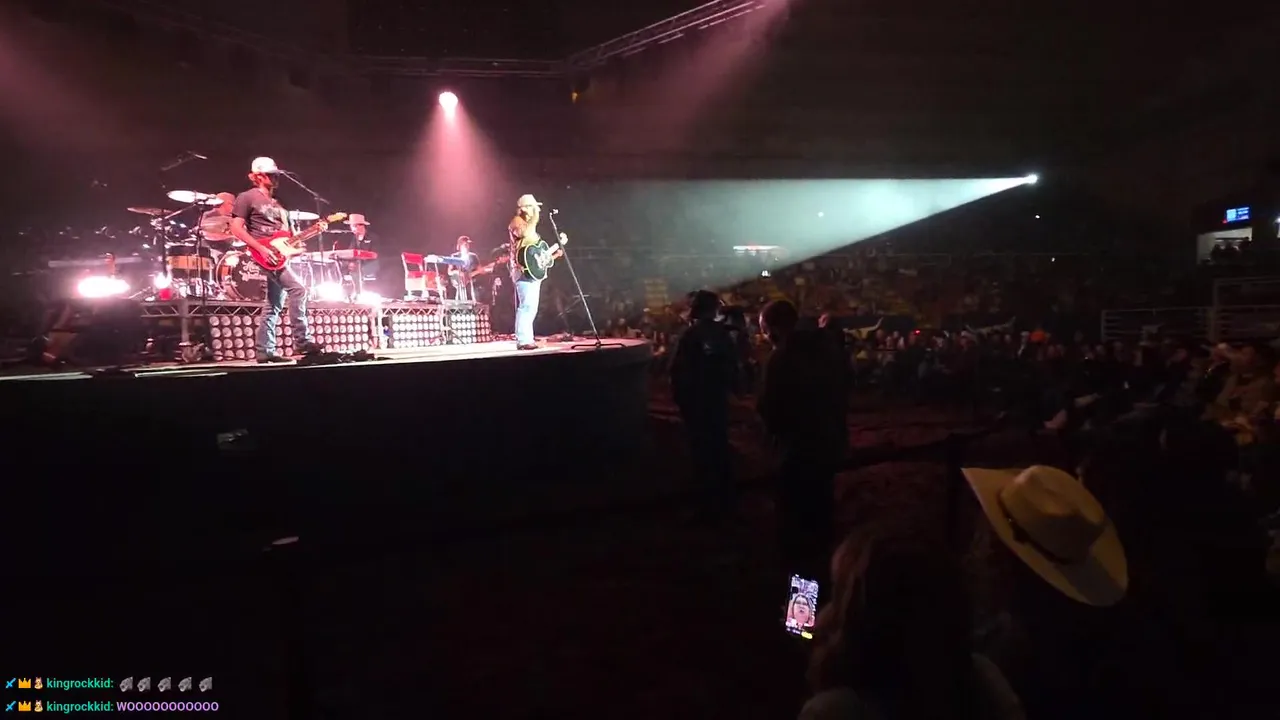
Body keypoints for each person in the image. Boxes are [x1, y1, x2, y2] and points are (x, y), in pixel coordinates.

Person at [758, 299, 849, 589]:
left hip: (796, 454)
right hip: (828, 446)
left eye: (763, 329)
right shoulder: (828, 350)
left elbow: (770, 411)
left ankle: (802, 612)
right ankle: (830, 597)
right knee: (821, 525)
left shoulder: (781, 359)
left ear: (772, 329)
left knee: (797, 537)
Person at [228, 156, 321, 363]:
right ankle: (302, 341)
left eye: (276, 175)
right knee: (298, 290)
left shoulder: (280, 204)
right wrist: (261, 248)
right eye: (271, 175)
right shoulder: (246, 197)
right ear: (258, 176)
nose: (275, 179)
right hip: (264, 253)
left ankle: (265, 351)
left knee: (273, 304)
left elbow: (289, 235)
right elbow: (236, 229)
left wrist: (300, 244)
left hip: (280, 255)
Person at [670, 290, 740, 519]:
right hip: (717, 400)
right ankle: (727, 502)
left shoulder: (690, 335)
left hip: (697, 403)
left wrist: (682, 400)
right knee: (720, 448)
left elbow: (677, 370)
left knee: (702, 454)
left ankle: (708, 506)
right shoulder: (722, 334)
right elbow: (732, 368)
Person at [507, 194, 559, 349]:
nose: (537, 210)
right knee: (527, 306)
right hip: (522, 270)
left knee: (532, 307)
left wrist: (553, 255)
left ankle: (527, 339)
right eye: (533, 207)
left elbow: (535, 253)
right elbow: (523, 234)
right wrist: (535, 217)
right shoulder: (517, 221)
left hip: (532, 271)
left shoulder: (531, 227)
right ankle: (523, 340)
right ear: (524, 208)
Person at [449, 235, 479, 301]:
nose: (467, 246)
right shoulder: (454, 256)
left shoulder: (473, 256)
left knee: (476, 292)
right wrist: (459, 273)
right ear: (460, 245)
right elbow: (449, 272)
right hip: (458, 280)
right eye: (465, 244)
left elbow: (479, 270)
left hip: (471, 281)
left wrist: (470, 275)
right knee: (458, 284)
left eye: (468, 244)